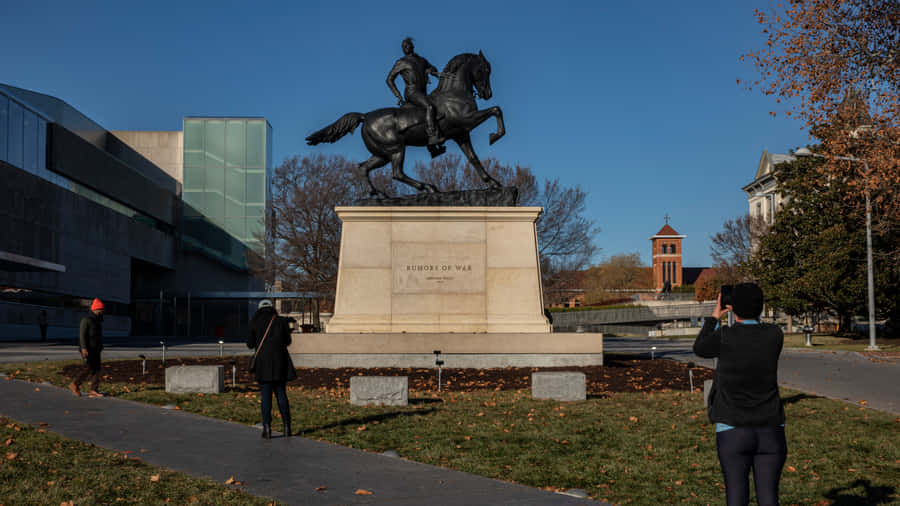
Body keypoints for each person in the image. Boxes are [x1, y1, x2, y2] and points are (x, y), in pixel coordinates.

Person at [693, 283, 787, 506]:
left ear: (733, 307)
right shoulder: (775, 335)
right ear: (761, 307)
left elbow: (700, 348)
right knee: (769, 498)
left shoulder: (725, 336)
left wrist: (715, 317)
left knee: (736, 497)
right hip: (770, 427)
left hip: (732, 427)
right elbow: (755, 331)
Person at [247, 299, 296, 439]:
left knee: (266, 396)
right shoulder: (281, 321)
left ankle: (267, 428)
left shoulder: (254, 321)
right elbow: (288, 342)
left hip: (263, 363)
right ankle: (287, 427)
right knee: (281, 394)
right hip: (280, 362)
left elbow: (250, 344)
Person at [386, 37, 444, 154]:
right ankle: (432, 136)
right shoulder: (401, 62)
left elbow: (433, 68)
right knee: (430, 107)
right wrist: (398, 95)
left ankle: (432, 149)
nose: (405, 48)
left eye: (407, 46)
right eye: (403, 47)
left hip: (422, 92)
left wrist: (431, 70)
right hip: (412, 92)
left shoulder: (422, 60)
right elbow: (389, 79)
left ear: (412, 47)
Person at [69, 299, 105, 397]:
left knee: (97, 369)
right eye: (101, 309)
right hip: (88, 348)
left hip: (96, 348)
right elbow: (82, 335)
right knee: (89, 367)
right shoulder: (86, 320)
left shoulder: (98, 320)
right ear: (96, 309)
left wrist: (100, 345)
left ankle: (94, 390)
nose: (102, 311)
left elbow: (98, 335)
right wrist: (84, 348)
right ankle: (75, 384)